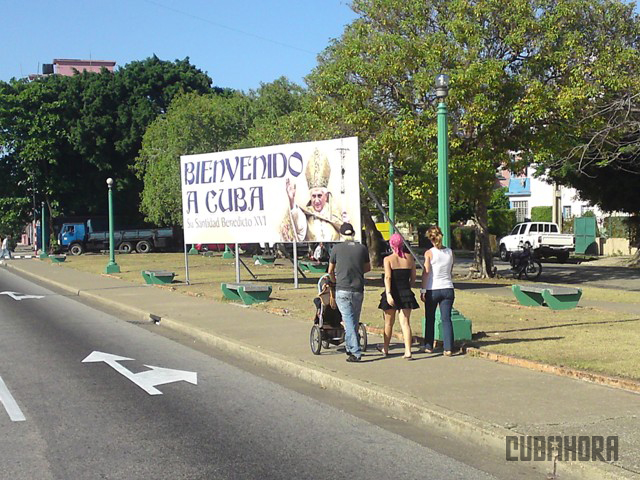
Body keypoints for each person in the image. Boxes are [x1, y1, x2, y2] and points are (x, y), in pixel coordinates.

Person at [328, 223, 371, 362]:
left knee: (348, 321)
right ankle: (349, 346)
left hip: (342, 289)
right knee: (354, 320)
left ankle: (355, 352)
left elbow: (330, 271)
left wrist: (334, 280)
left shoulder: (336, 249)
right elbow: (368, 268)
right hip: (358, 289)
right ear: (353, 234)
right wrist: (356, 271)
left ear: (341, 234)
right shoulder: (362, 248)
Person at [282, 149, 345, 242]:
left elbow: (346, 238)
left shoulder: (334, 214)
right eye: (313, 196)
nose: (316, 200)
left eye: (319, 196)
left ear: (326, 196)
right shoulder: (307, 215)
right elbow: (298, 225)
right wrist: (291, 200)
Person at [377, 233, 419, 359]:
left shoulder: (388, 259)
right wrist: (408, 286)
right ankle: (408, 350)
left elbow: (388, 277)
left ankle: (385, 348)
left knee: (388, 323)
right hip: (405, 292)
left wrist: (388, 293)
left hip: (393, 292)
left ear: (391, 245)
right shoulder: (409, 258)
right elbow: (413, 277)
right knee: (405, 323)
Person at [420, 226, 455, 356]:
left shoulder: (429, 253)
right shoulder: (450, 252)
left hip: (433, 288)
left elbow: (426, 272)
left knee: (430, 317)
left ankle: (428, 345)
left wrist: (423, 289)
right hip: (447, 287)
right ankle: (448, 347)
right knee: (447, 318)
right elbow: (450, 270)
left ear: (430, 238)